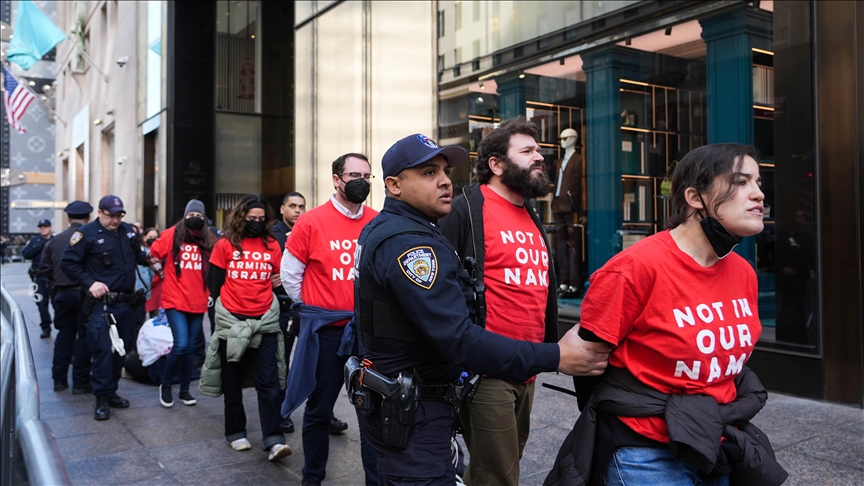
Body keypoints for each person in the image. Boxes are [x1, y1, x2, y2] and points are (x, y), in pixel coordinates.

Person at [350, 133, 611, 484]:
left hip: (419, 396)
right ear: (394, 186)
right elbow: (457, 336)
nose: (445, 180)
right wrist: (556, 356)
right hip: (417, 404)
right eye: (428, 173)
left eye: (444, 170)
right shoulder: (411, 243)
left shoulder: (404, 229)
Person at [544, 143, 787, 486]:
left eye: (759, 183)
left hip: (718, 439)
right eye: (741, 181)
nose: (758, 194)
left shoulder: (743, 272)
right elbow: (589, 367)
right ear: (694, 197)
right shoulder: (632, 270)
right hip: (646, 451)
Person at [439, 117, 558, 485]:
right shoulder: (466, 210)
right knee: (500, 476)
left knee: (502, 463)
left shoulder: (530, 214)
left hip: (528, 365)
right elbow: (442, 286)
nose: (539, 157)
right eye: (527, 151)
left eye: (538, 150)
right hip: (486, 370)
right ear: (496, 164)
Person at [280, 153, 379, 486]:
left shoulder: (378, 220)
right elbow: (291, 276)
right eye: (354, 174)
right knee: (319, 409)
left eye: (367, 176)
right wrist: (318, 308)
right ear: (336, 179)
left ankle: (376, 480)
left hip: (369, 335)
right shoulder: (310, 221)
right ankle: (313, 477)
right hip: (327, 334)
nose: (361, 181)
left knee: (373, 415)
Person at [200, 194, 292, 462]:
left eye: (261, 219)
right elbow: (215, 284)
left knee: (269, 383)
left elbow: (278, 279)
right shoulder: (225, 244)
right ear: (241, 217)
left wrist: (280, 280)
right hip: (233, 322)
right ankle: (235, 432)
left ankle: (274, 439)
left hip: (264, 322)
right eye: (251, 219)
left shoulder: (273, 245)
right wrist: (223, 315)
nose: (256, 223)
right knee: (232, 381)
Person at [61, 195, 148, 421]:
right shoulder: (85, 234)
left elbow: (137, 255)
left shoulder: (128, 231)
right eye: (111, 216)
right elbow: (68, 263)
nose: (116, 220)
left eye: (119, 215)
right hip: (102, 305)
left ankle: (111, 392)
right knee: (102, 351)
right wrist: (90, 283)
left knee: (121, 350)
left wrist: (152, 257)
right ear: (100, 212)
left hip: (126, 302)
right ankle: (100, 397)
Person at [149, 200, 215, 408]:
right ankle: (166, 385)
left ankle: (185, 390)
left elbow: (216, 264)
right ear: (184, 216)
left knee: (190, 349)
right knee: (181, 344)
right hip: (175, 300)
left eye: (199, 215)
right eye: (190, 215)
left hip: (198, 301)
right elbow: (151, 255)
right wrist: (163, 275)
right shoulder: (171, 235)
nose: (194, 219)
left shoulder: (209, 239)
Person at [39, 201, 94, 394]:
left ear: (68, 218)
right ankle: (80, 381)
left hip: (62, 293)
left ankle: (59, 380)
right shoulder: (90, 237)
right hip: (85, 293)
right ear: (89, 218)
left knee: (64, 336)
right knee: (84, 337)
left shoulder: (54, 241)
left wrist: (58, 279)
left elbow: (44, 269)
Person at [271, 191, 306, 433]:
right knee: (281, 361)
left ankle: (324, 412)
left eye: (301, 207)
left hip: (306, 306)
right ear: (282, 209)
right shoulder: (272, 234)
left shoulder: (308, 228)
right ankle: (282, 410)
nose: (297, 211)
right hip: (281, 306)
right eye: (292, 206)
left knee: (312, 362)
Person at [551, 127, 584, 297]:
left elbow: (582, 185)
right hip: (558, 205)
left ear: (574, 139)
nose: (562, 142)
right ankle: (563, 282)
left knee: (574, 247)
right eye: (561, 139)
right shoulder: (559, 161)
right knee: (560, 246)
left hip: (572, 207)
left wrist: (582, 208)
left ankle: (574, 284)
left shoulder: (579, 160)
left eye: (566, 138)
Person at [22, 218, 54, 337]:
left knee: (57, 302)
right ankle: (46, 327)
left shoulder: (55, 240)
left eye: (45, 226)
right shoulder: (35, 240)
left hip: (53, 277)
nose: (43, 229)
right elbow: (26, 254)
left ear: (50, 227)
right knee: (41, 302)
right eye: (41, 227)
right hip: (39, 277)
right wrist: (39, 246)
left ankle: (61, 326)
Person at [141, 227, 164, 317]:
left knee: (155, 316)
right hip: (144, 288)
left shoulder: (162, 251)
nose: (153, 239)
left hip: (157, 288)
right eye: (150, 236)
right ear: (144, 238)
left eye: (155, 237)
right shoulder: (140, 252)